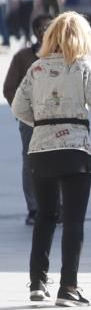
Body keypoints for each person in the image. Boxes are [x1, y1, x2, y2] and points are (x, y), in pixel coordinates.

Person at [11, 11, 91, 307]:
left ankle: (37, 281)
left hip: (41, 149)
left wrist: (43, 122)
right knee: (73, 220)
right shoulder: (82, 68)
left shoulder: (36, 68)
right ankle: (68, 286)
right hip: (75, 150)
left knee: (45, 216)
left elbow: (18, 107)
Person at [3, 14, 52, 225]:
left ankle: (55, 206)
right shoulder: (22, 57)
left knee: (58, 162)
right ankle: (34, 208)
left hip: (58, 120)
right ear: (35, 32)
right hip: (30, 121)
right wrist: (24, 112)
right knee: (31, 163)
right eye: (42, 28)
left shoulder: (64, 56)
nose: (46, 32)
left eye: (50, 27)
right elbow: (8, 88)